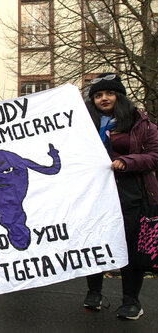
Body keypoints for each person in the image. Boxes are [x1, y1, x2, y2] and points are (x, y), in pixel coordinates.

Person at [82, 73, 158, 320]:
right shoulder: (82, 123)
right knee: (94, 243)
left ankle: (131, 301)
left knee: (130, 248)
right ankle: (94, 293)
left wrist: (126, 161)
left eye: (110, 93)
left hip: (130, 194)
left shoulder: (142, 124)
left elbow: (154, 156)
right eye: (98, 95)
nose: (104, 98)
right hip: (94, 195)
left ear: (120, 96)